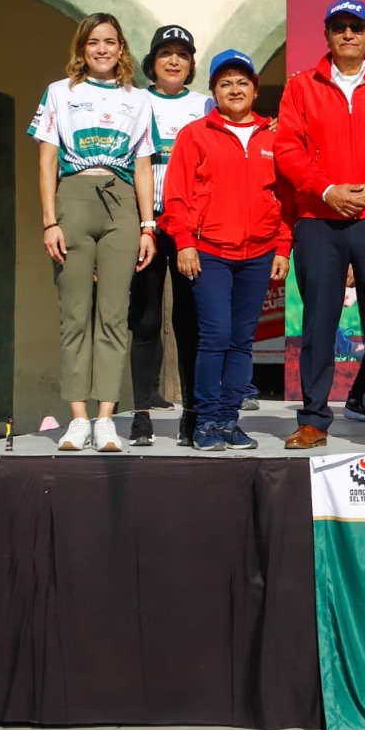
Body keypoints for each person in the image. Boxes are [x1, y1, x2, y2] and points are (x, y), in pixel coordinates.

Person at [274, 0, 365, 449]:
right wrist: (327, 191)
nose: (348, 35)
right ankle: (314, 418)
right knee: (318, 324)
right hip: (319, 218)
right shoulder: (301, 87)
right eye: (339, 28)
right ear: (327, 36)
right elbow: (287, 151)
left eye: (356, 28)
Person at [30, 12, 157, 452]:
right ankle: (78, 418)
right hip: (73, 199)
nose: (102, 49)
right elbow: (47, 160)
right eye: (93, 42)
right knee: (74, 315)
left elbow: (143, 165)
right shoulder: (59, 93)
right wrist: (50, 221)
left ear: (121, 49)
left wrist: (147, 226)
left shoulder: (139, 99)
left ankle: (106, 418)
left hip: (121, 202)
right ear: (81, 49)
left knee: (114, 315)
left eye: (110, 42)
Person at [160, 50, 292, 450]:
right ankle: (204, 422)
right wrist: (184, 243)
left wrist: (282, 248)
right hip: (209, 252)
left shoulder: (275, 137)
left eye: (242, 82)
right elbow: (176, 196)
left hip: (258, 254)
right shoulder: (195, 134)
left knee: (241, 340)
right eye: (225, 83)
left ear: (254, 89)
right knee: (214, 336)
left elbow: (287, 199)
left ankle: (229, 420)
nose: (234, 89)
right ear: (214, 91)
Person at [129, 25, 209, 447]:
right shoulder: (135, 100)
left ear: (192, 63)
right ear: (152, 62)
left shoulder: (206, 104)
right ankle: (141, 413)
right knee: (145, 318)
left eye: (182, 54)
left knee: (189, 321)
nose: (174, 60)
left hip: (191, 226)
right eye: (165, 54)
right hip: (146, 221)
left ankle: (192, 414)